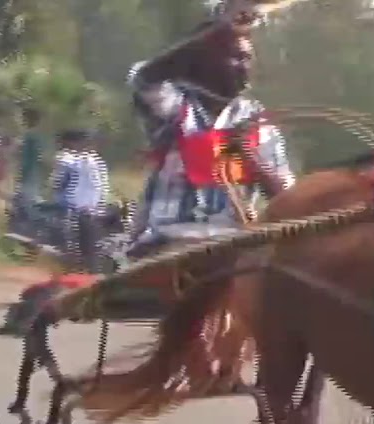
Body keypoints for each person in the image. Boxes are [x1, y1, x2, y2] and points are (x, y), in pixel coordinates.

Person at [125, 2, 295, 257]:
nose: (244, 67)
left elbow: (287, 198)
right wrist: (216, 29)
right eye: (234, 57)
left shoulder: (258, 122)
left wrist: (251, 160)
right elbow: (143, 79)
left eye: (247, 58)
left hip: (233, 249)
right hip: (168, 244)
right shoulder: (175, 107)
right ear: (204, 60)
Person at [49, 129, 110, 272]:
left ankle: (72, 272)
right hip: (93, 209)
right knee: (91, 247)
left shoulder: (67, 160)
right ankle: (90, 274)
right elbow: (104, 187)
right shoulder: (97, 161)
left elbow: (57, 183)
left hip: (74, 209)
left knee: (72, 244)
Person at [12, 109, 44, 221]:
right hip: (33, 172)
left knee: (28, 199)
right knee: (30, 197)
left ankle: (34, 225)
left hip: (28, 173)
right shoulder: (35, 136)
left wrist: (22, 175)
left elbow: (27, 159)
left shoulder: (29, 137)